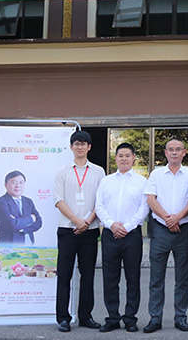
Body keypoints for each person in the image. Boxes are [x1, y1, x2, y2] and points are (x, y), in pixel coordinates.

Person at [53, 130, 106, 333]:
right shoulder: (63, 171)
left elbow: (101, 201)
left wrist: (87, 222)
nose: (80, 147)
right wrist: (76, 221)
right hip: (67, 230)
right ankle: (63, 318)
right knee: (64, 275)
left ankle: (85, 316)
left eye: (83, 144)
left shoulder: (98, 171)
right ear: (71, 147)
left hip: (90, 231)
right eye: (76, 144)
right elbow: (58, 200)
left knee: (88, 275)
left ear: (89, 147)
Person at [95, 143, 149, 333]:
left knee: (133, 278)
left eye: (127, 155)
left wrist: (127, 226)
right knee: (110, 278)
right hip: (110, 234)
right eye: (120, 155)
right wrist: (111, 224)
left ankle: (130, 318)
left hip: (132, 235)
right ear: (115, 158)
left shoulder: (142, 182)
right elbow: (99, 206)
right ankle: (112, 318)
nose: (124, 159)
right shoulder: (106, 181)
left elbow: (144, 208)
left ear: (133, 158)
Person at [143, 139, 188, 333]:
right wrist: (167, 219)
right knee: (156, 278)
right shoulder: (156, 174)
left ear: (184, 152)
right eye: (170, 150)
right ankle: (155, 318)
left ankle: (181, 317)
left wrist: (178, 217)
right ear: (165, 153)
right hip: (161, 230)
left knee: (182, 277)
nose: (174, 153)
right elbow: (150, 199)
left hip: (183, 230)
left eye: (178, 149)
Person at [0, 170, 42, 244]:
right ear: (6, 185)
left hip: (29, 244)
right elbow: (12, 224)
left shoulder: (28, 201)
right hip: (9, 245)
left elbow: (39, 222)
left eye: (21, 182)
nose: (18, 186)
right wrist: (31, 218)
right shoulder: (0, 202)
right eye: (13, 182)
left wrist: (23, 228)